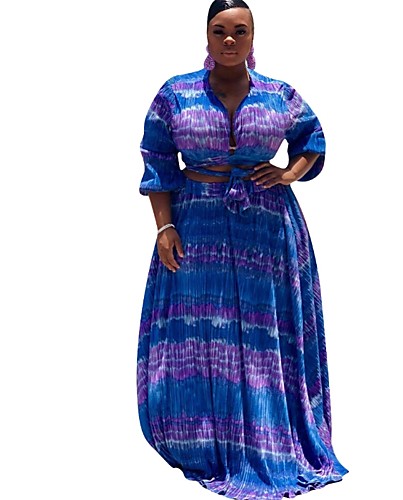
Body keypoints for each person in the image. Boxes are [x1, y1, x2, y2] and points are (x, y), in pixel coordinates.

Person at [136, 1, 348, 498]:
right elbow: (157, 159)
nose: (229, 39)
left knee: (263, 330)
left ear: (253, 37)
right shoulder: (175, 94)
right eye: (220, 30)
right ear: (207, 37)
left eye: (240, 30)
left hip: (267, 228)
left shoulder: (279, 95)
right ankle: (200, 438)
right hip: (197, 224)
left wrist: (289, 173)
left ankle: (271, 436)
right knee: (199, 328)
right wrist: (165, 227)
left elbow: (313, 139)